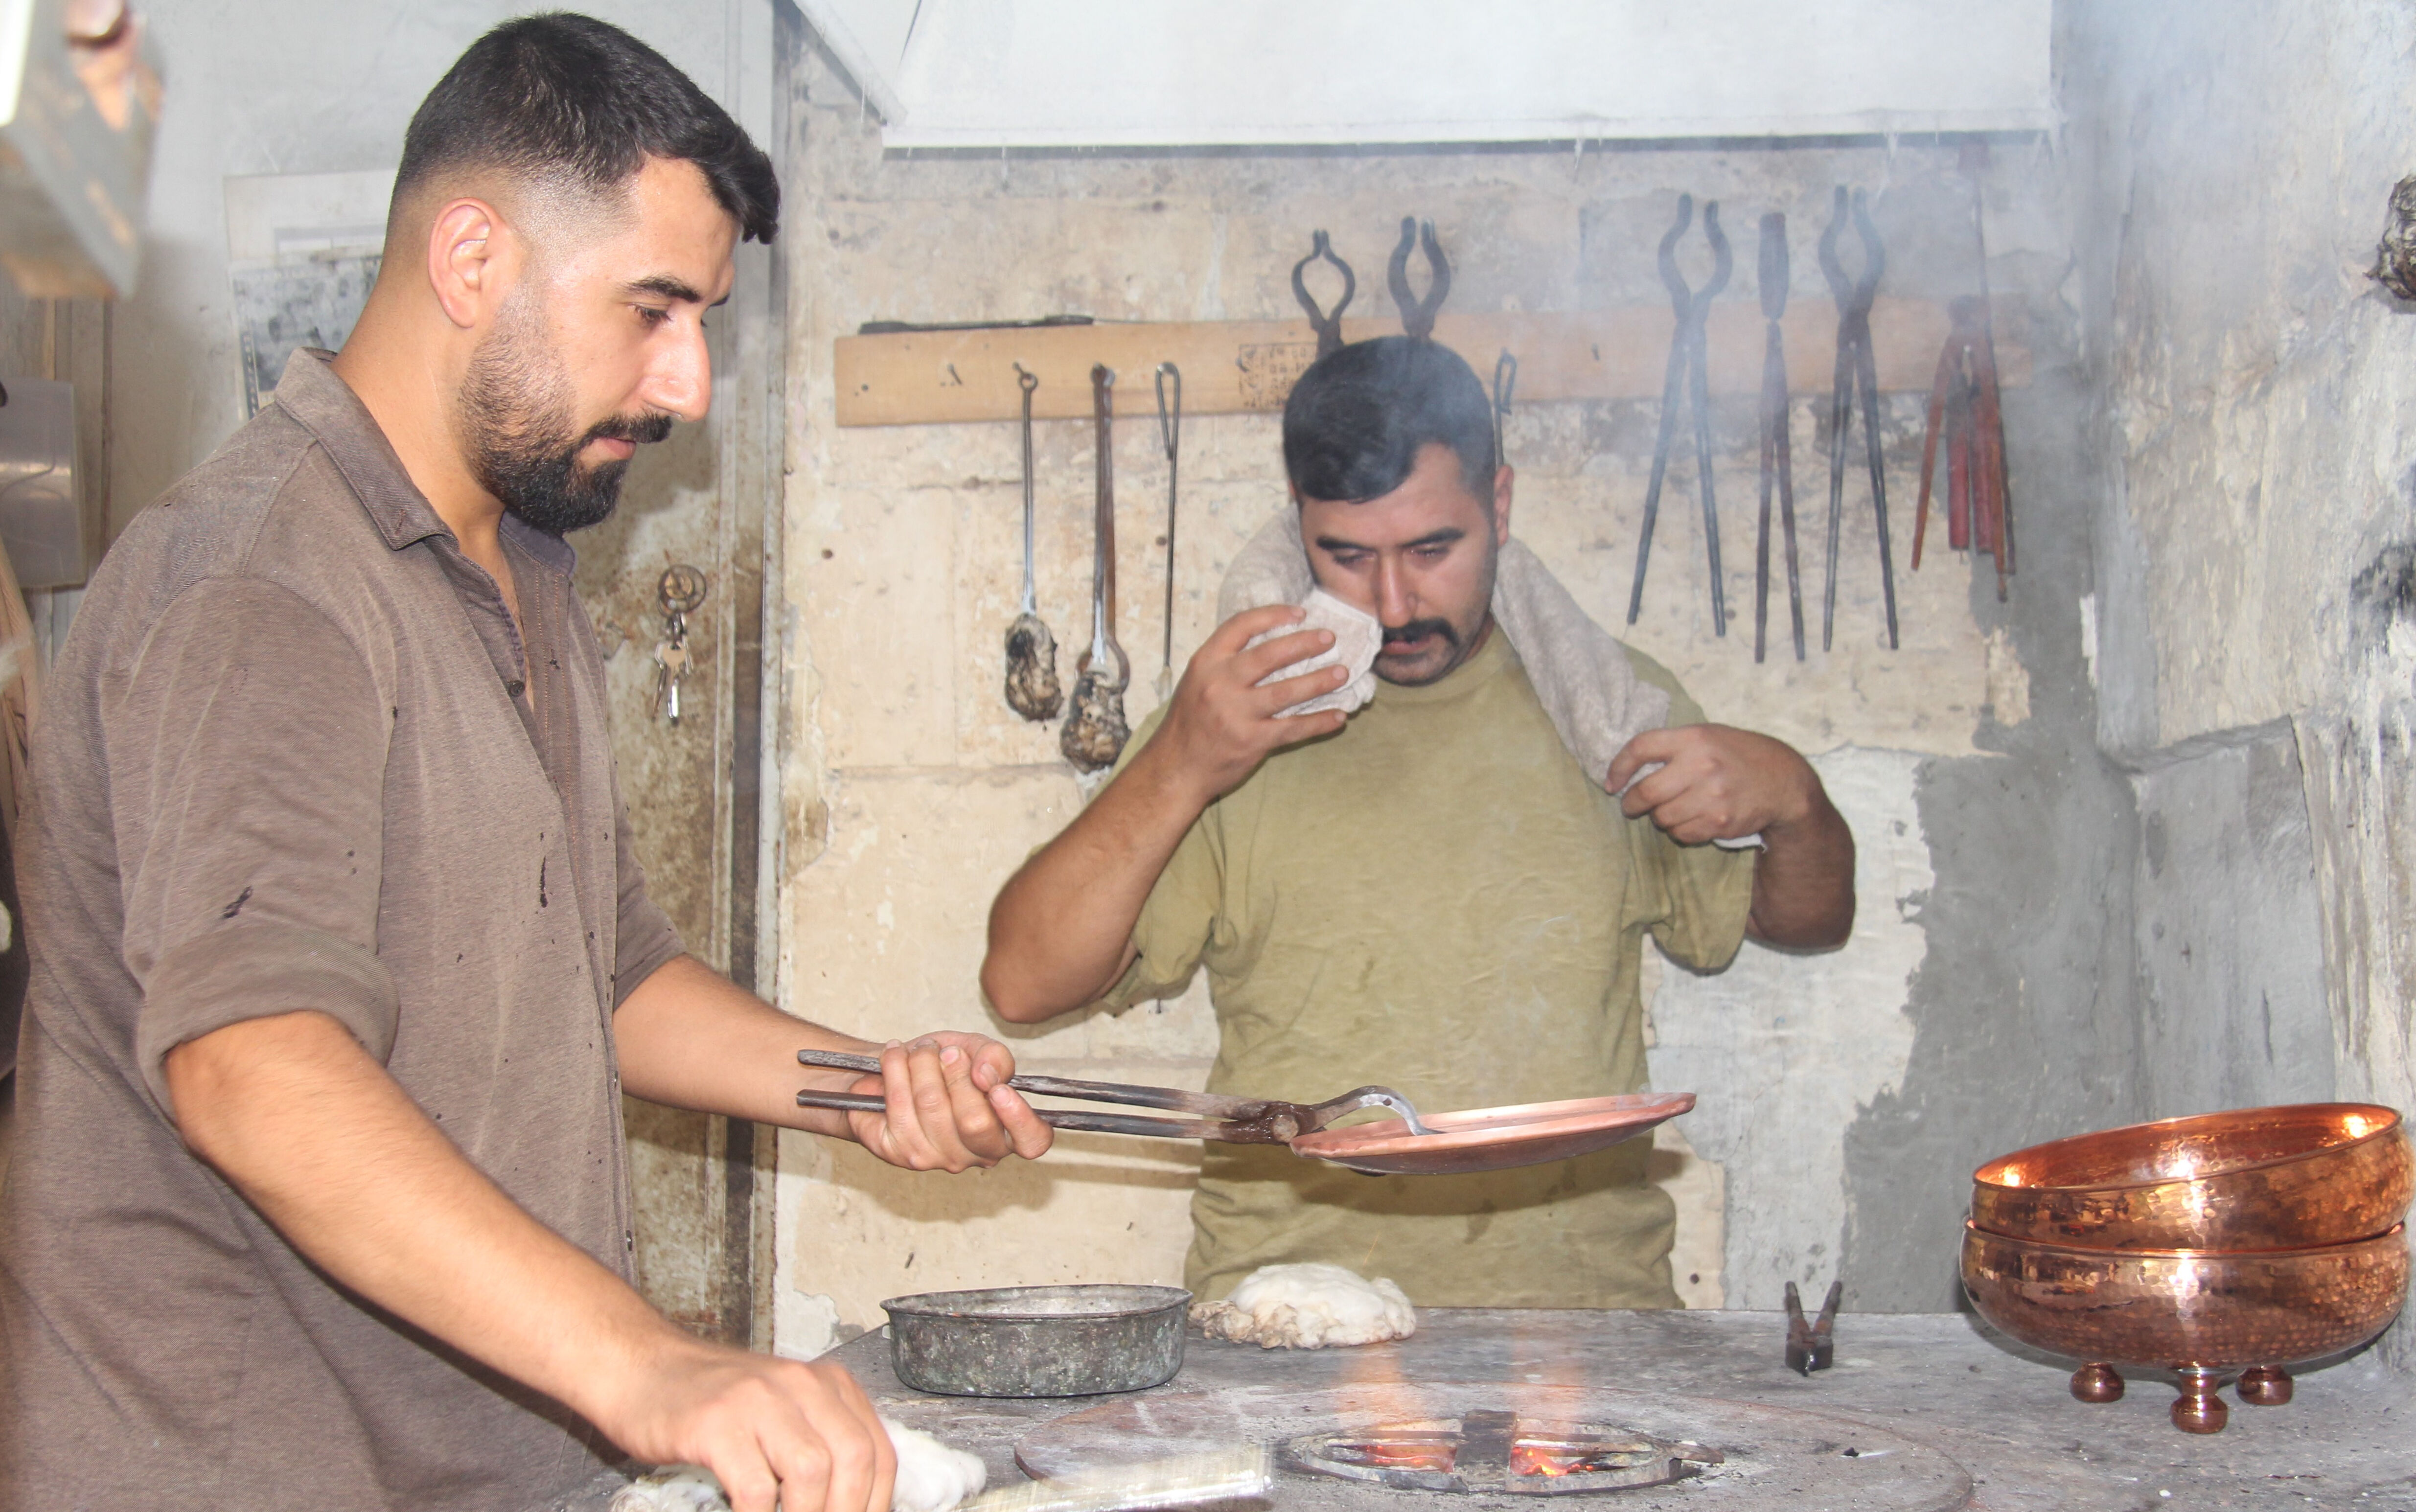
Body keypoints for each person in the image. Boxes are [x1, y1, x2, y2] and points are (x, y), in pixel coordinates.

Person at [0, 17, 1051, 1512]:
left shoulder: (517, 561)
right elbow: (251, 1063)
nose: (687, 380)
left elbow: (606, 976)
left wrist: (860, 1085)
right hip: (251, 1472)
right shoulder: (263, 588)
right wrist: (649, 1362)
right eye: (653, 309)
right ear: (473, 257)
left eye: (707, 320)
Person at [983, 337, 1854, 1312]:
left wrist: (1797, 803)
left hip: (1588, 1328)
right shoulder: (1235, 720)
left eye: (1432, 551)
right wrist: (1181, 763)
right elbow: (1022, 984)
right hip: (1292, 1323)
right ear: (1299, 524)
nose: (1394, 605)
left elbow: (1808, 923)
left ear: (1503, 507)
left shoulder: (1609, 711)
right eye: (1347, 557)